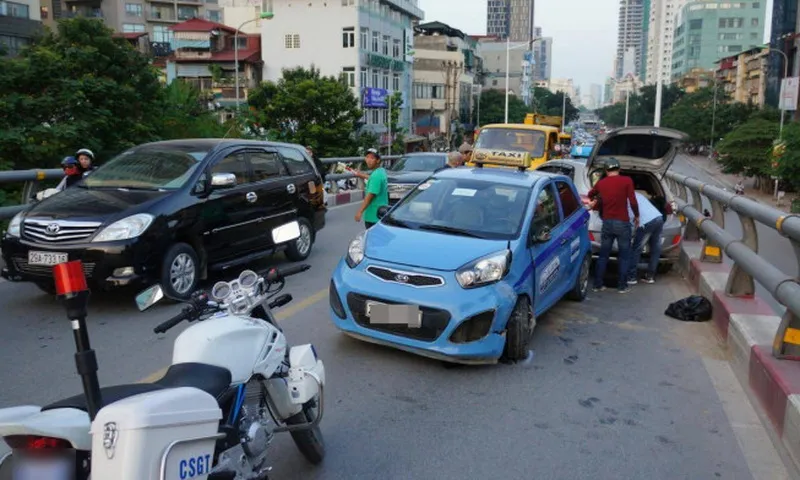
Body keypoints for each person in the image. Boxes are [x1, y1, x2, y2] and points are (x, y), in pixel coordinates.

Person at [588, 157, 639, 294]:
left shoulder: (602, 183)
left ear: (606, 170)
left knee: (604, 254)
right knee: (624, 255)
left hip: (607, 223)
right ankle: (622, 286)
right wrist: (637, 216)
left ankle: (598, 284)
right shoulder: (627, 181)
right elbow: (633, 201)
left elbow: (590, 194)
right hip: (622, 223)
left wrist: (597, 200)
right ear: (619, 169)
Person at [626, 192, 665, 285]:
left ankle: (631, 277)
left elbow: (630, 220)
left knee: (636, 248)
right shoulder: (637, 194)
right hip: (658, 218)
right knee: (655, 248)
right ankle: (650, 276)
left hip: (646, 222)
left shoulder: (624, 200)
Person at [349, 148, 388, 229]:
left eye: (372, 158)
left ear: (378, 160)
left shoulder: (376, 176)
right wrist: (360, 174)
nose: (368, 160)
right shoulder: (381, 171)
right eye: (367, 157)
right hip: (381, 214)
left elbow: (370, 196)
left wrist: (360, 212)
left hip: (373, 216)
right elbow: (372, 178)